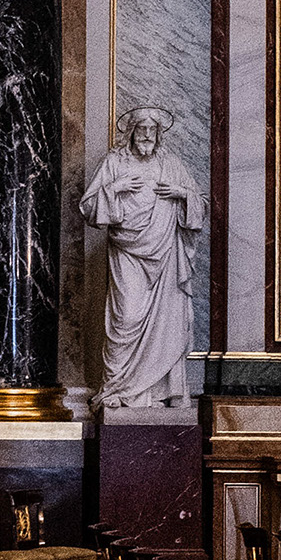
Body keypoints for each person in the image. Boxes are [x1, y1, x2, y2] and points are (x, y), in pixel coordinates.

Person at [82, 108, 204, 407]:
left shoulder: (170, 163)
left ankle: (157, 392)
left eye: (152, 129)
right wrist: (114, 188)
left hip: (165, 253)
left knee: (166, 321)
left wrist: (181, 193)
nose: (147, 135)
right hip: (127, 250)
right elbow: (88, 206)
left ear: (159, 134)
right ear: (132, 131)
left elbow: (199, 203)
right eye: (142, 129)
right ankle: (116, 389)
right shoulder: (115, 162)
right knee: (126, 316)